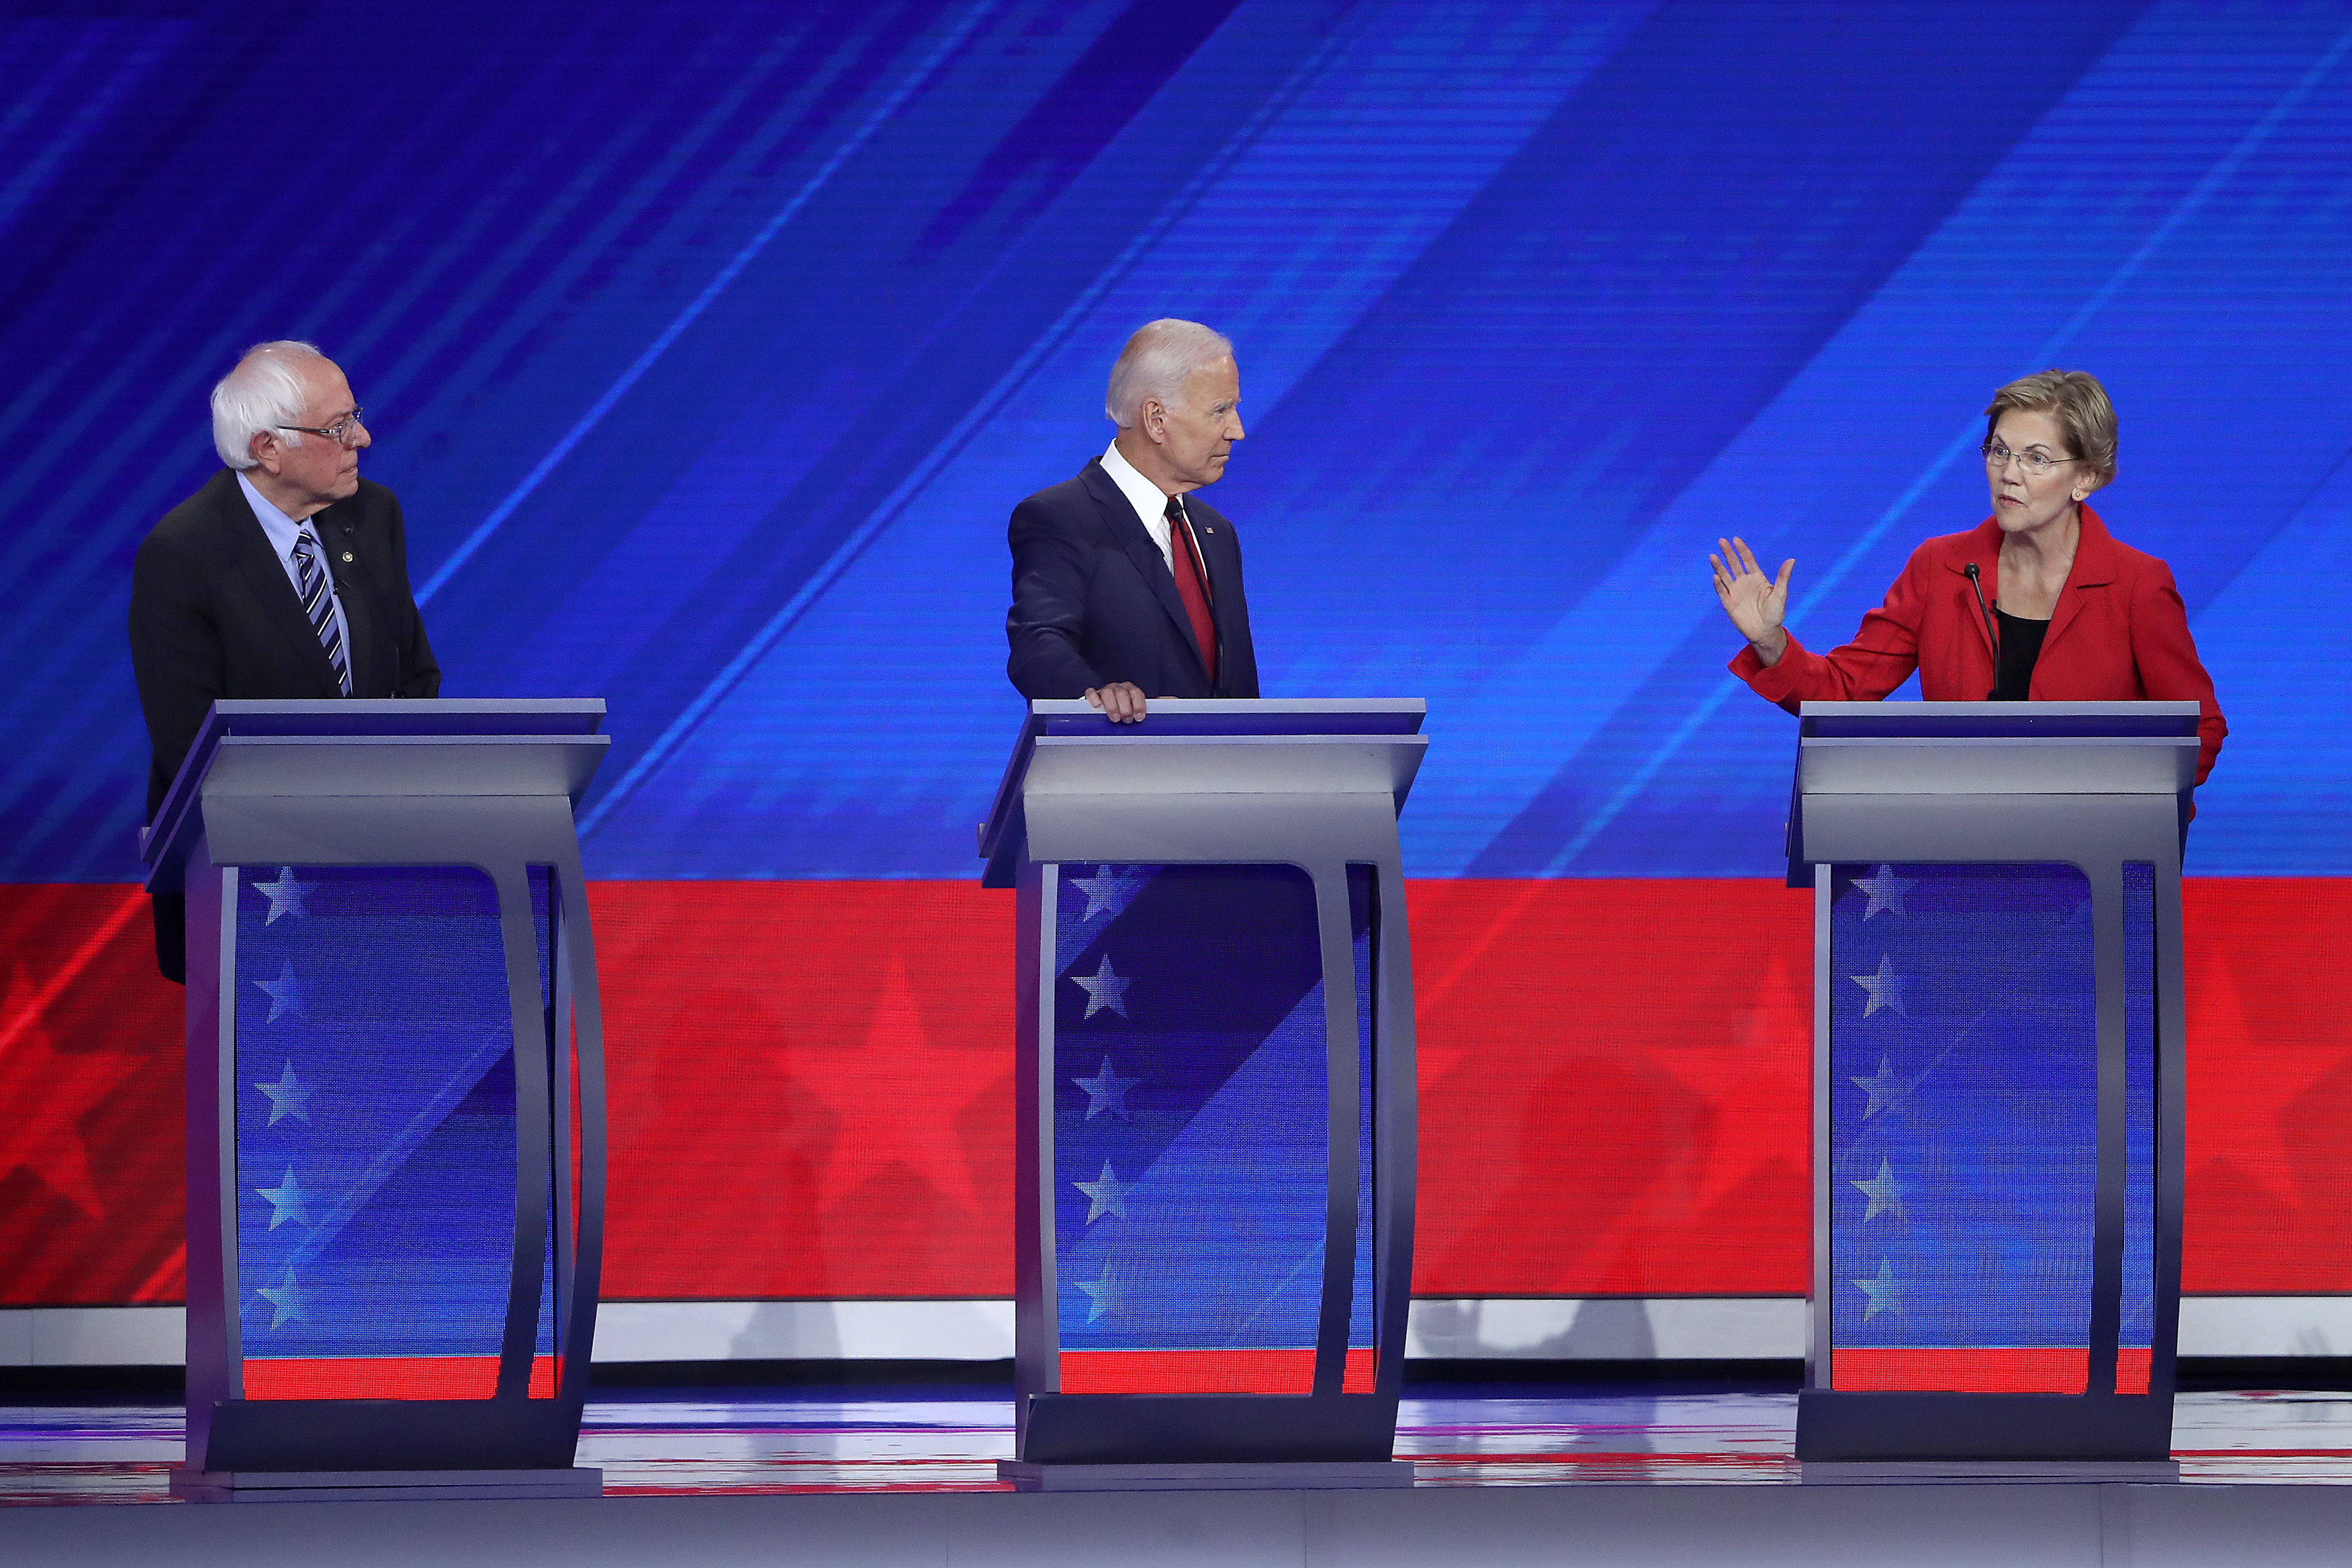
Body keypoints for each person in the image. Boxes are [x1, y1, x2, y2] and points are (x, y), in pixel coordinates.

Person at [1709, 368, 2225, 784]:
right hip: (1961, 861)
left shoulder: (2136, 584)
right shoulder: (1940, 568)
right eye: (1999, 451)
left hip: (2093, 869)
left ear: (2085, 478)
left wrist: (2122, 803)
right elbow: (1843, 694)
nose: (2009, 473)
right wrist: (1772, 643)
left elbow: (2199, 729)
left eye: (2036, 458)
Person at [129, 341, 439, 981]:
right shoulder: (184, 553)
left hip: (375, 861)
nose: (364, 436)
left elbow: (413, 676)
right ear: (267, 448)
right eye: (337, 427)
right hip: (250, 878)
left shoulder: (373, 514)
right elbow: (190, 747)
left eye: (355, 415)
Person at [1006, 318, 1259, 722]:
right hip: (1119, 773)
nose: (1237, 431)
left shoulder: (1216, 533)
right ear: (1156, 418)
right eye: (1220, 411)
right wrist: (1096, 699)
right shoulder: (1062, 517)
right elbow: (1038, 644)